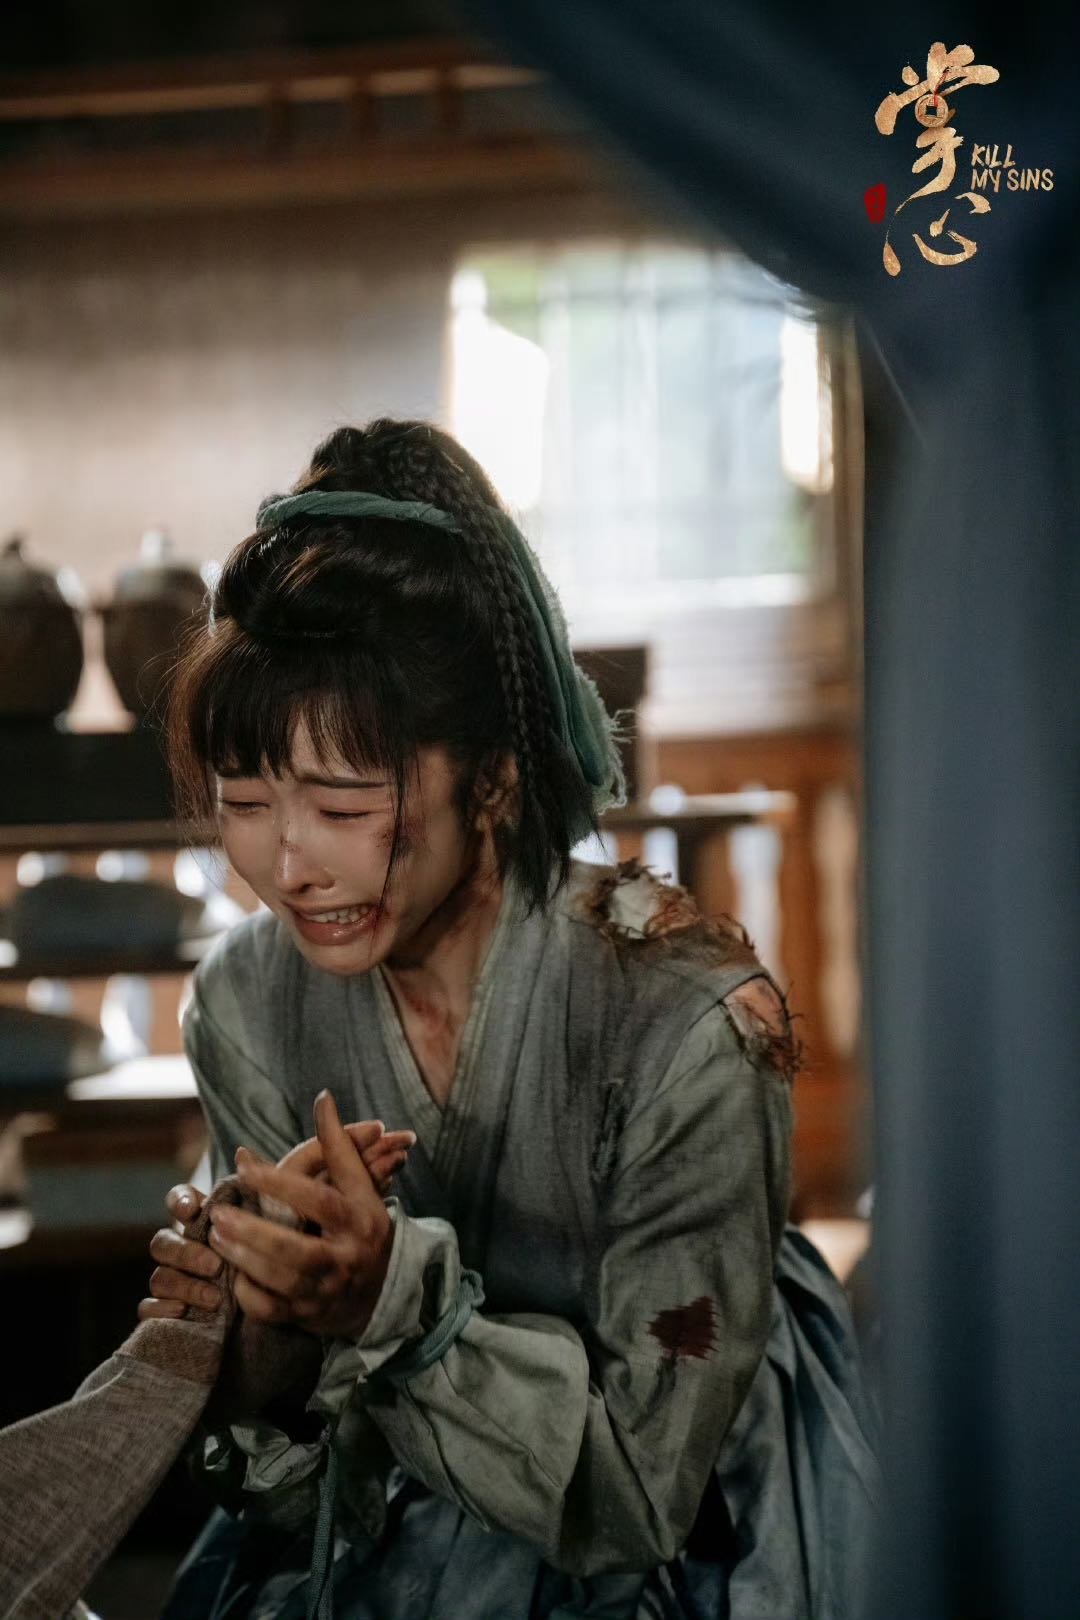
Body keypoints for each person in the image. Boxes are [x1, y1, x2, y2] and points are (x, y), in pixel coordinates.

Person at [145, 418, 879, 1620]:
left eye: (343, 806)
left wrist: (388, 1298)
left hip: (686, 1515)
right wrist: (261, 1332)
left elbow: (645, 1488)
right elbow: (299, 1460)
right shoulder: (247, 1002)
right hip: (397, 1505)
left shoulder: (690, 1018)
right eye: (246, 802)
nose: (289, 867)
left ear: (490, 778)